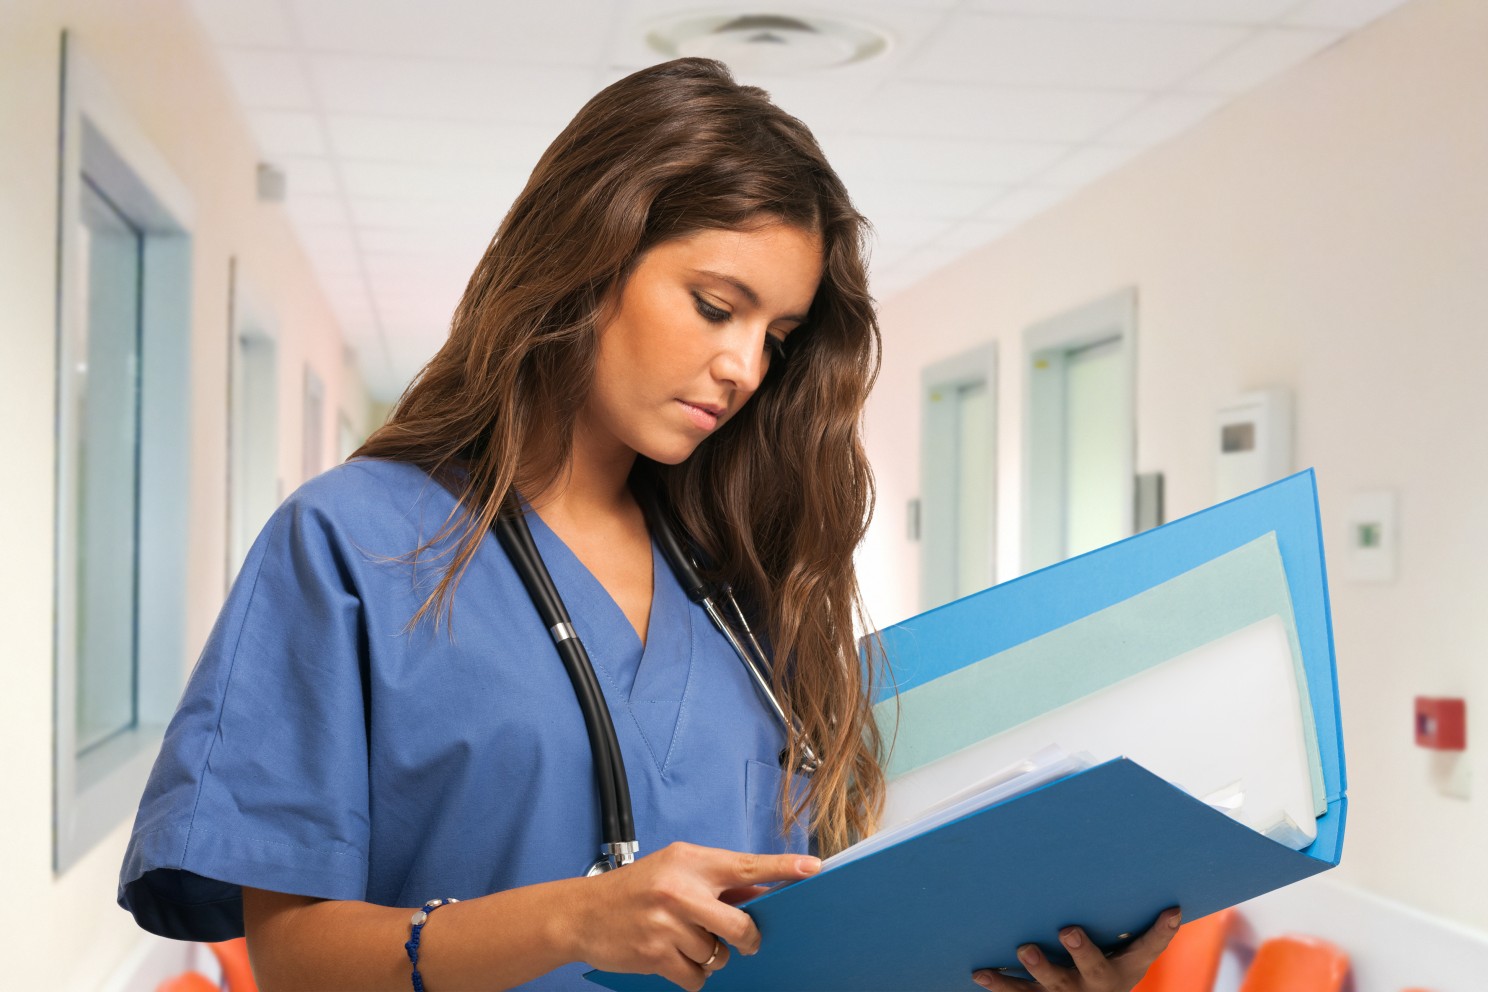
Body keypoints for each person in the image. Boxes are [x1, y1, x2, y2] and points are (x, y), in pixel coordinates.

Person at [118, 58, 1177, 991]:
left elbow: (809, 930)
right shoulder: (354, 544)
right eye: (718, 305)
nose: (745, 366)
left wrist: (1016, 966)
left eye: (779, 333)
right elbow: (295, 960)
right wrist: (574, 917)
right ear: (590, 255)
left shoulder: (743, 582)